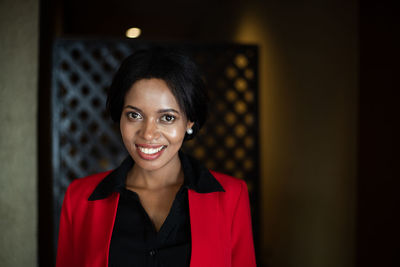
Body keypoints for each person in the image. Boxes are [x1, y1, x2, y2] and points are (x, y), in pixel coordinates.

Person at [56, 47, 256, 267]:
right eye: (134, 115)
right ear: (119, 116)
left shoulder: (231, 197)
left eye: (167, 118)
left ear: (189, 121)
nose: (148, 134)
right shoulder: (79, 199)